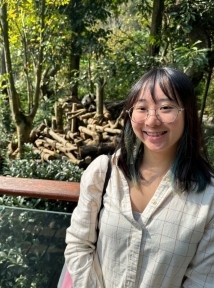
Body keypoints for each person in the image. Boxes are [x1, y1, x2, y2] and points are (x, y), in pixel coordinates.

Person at [64, 67, 214, 287]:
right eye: (142, 108)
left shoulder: (208, 197)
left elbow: (203, 280)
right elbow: (78, 244)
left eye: (166, 108)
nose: (152, 121)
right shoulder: (104, 173)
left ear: (187, 114)